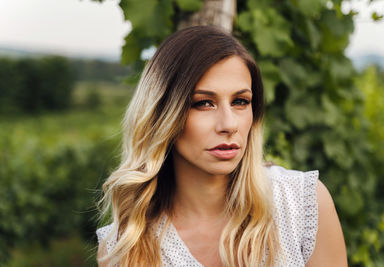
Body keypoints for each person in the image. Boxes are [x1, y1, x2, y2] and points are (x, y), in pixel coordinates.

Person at [96, 26, 347, 267]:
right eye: (204, 103)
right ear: (163, 114)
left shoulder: (302, 203)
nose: (229, 124)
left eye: (240, 101)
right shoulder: (124, 246)